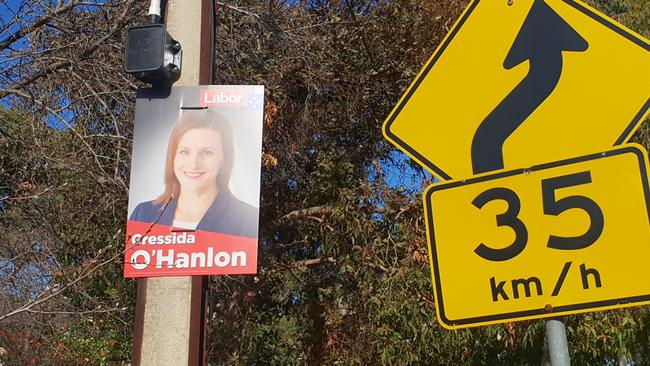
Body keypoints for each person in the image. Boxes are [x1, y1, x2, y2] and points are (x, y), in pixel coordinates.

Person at [129, 110, 258, 239]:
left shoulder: (246, 220)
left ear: (224, 159)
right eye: (184, 152)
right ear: (172, 157)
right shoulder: (143, 215)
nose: (194, 164)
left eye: (207, 152)